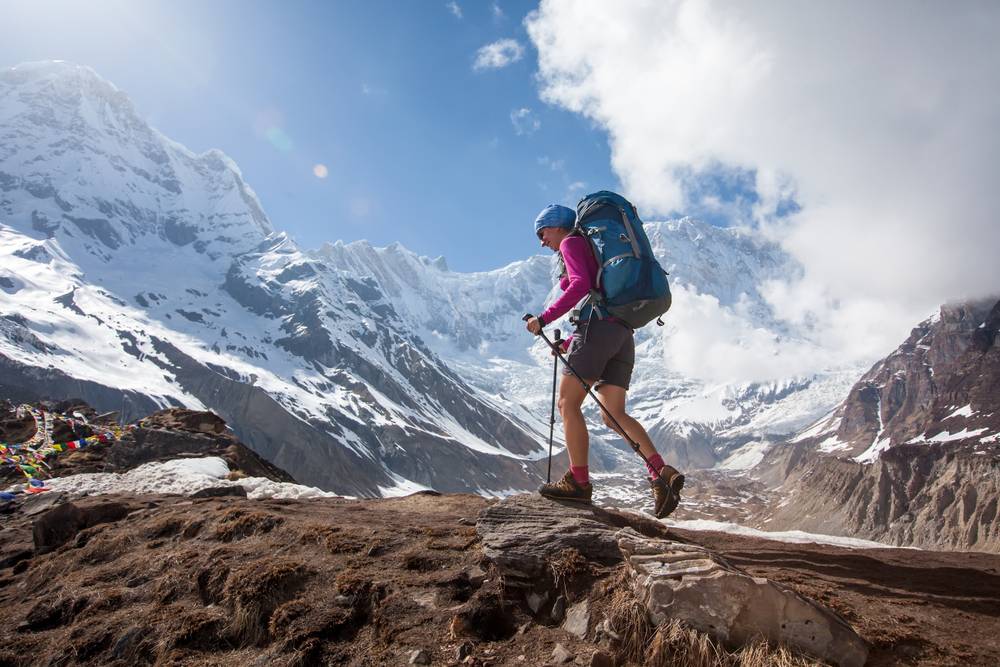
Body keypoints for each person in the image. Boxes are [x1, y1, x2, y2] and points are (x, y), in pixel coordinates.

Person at [525, 204, 685, 518]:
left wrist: (543, 319)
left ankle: (579, 484)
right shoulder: (591, 247)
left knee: (567, 405)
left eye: (542, 234)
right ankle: (661, 474)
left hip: (598, 329)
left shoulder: (571, 242)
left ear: (556, 226)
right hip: (621, 333)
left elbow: (581, 285)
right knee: (613, 415)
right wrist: (571, 342)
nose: (542, 242)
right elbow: (597, 294)